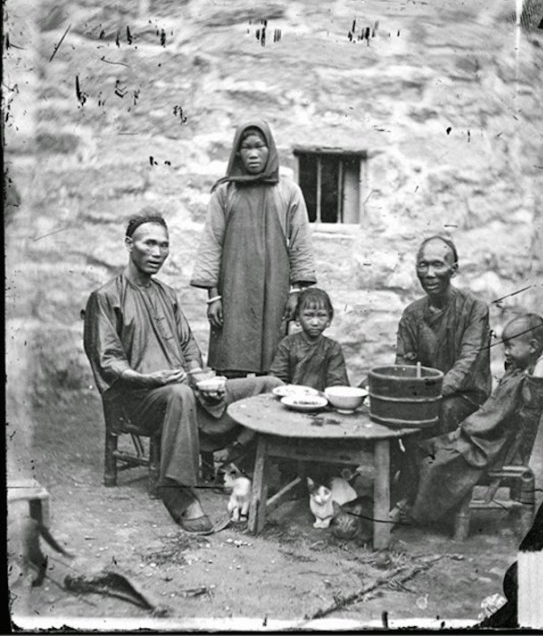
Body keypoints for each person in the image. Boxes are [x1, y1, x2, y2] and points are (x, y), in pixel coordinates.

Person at [83, 210, 281, 533]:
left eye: (164, 245)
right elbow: (108, 362)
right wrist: (150, 378)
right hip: (138, 399)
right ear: (129, 244)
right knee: (178, 393)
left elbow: (188, 347)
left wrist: (201, 378)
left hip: (185, 391)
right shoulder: (105, 297)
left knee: (269, 385)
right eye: (149, 244)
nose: (158, 253)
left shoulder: (166, 294)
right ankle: (178, 495)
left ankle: (235, 462)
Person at [396, 314, 543, 524]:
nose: (506, 352)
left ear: (533, 346)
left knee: (436, 465)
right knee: (423, 448)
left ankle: (420, 515)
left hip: (493, 448)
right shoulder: (516, 370)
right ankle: (410, 501)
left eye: (510, 346)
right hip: (480, 438)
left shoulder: (532, 382)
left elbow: (540, 375)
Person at [190, 121, 316, 378]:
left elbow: (300, 243)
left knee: (274, 366)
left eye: (260, 146)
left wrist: (295, 292)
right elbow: (212, 243)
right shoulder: (225, 193)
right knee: (230, 361)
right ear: (238, 152)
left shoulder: (288, 191)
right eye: (247, 147)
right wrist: (213, 297)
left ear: (271, 150)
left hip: (275, 288)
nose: (254, 154)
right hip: (233, 289)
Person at [396, 235, 491, 433]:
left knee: (443, 410)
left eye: (438, 265)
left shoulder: (475, 309)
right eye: (423, 265)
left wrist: (424, 393)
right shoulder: (412, 314)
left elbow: (467, 366)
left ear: (453, 270)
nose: (429, 274)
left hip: (466, 397)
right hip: (425, 394)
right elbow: (404, 363)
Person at [269, 288, 349, 391]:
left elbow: (337, 383)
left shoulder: (333, 348)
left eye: (321, 315)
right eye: (308, 315)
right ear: (298, 317)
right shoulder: (288, 344)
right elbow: (277, 379)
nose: (315, 322)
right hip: (290, 396)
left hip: (322, 398)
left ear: (329, 318)